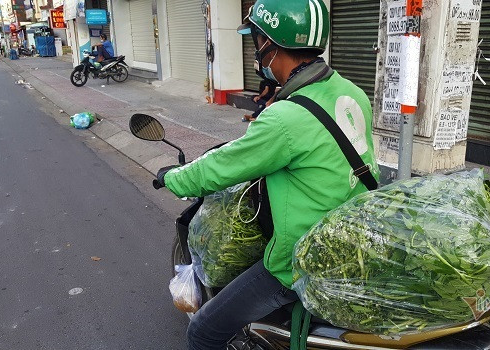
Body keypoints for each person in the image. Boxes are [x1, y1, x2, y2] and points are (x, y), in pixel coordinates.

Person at [156, 0, 379, 349]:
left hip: (302, 257)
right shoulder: (353, 93)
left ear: (271, 46)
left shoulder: (285, 117)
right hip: (350, 239)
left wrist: (173, 178)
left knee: (203, 330)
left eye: (257, 42)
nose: (257, 53)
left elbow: (221, 168)